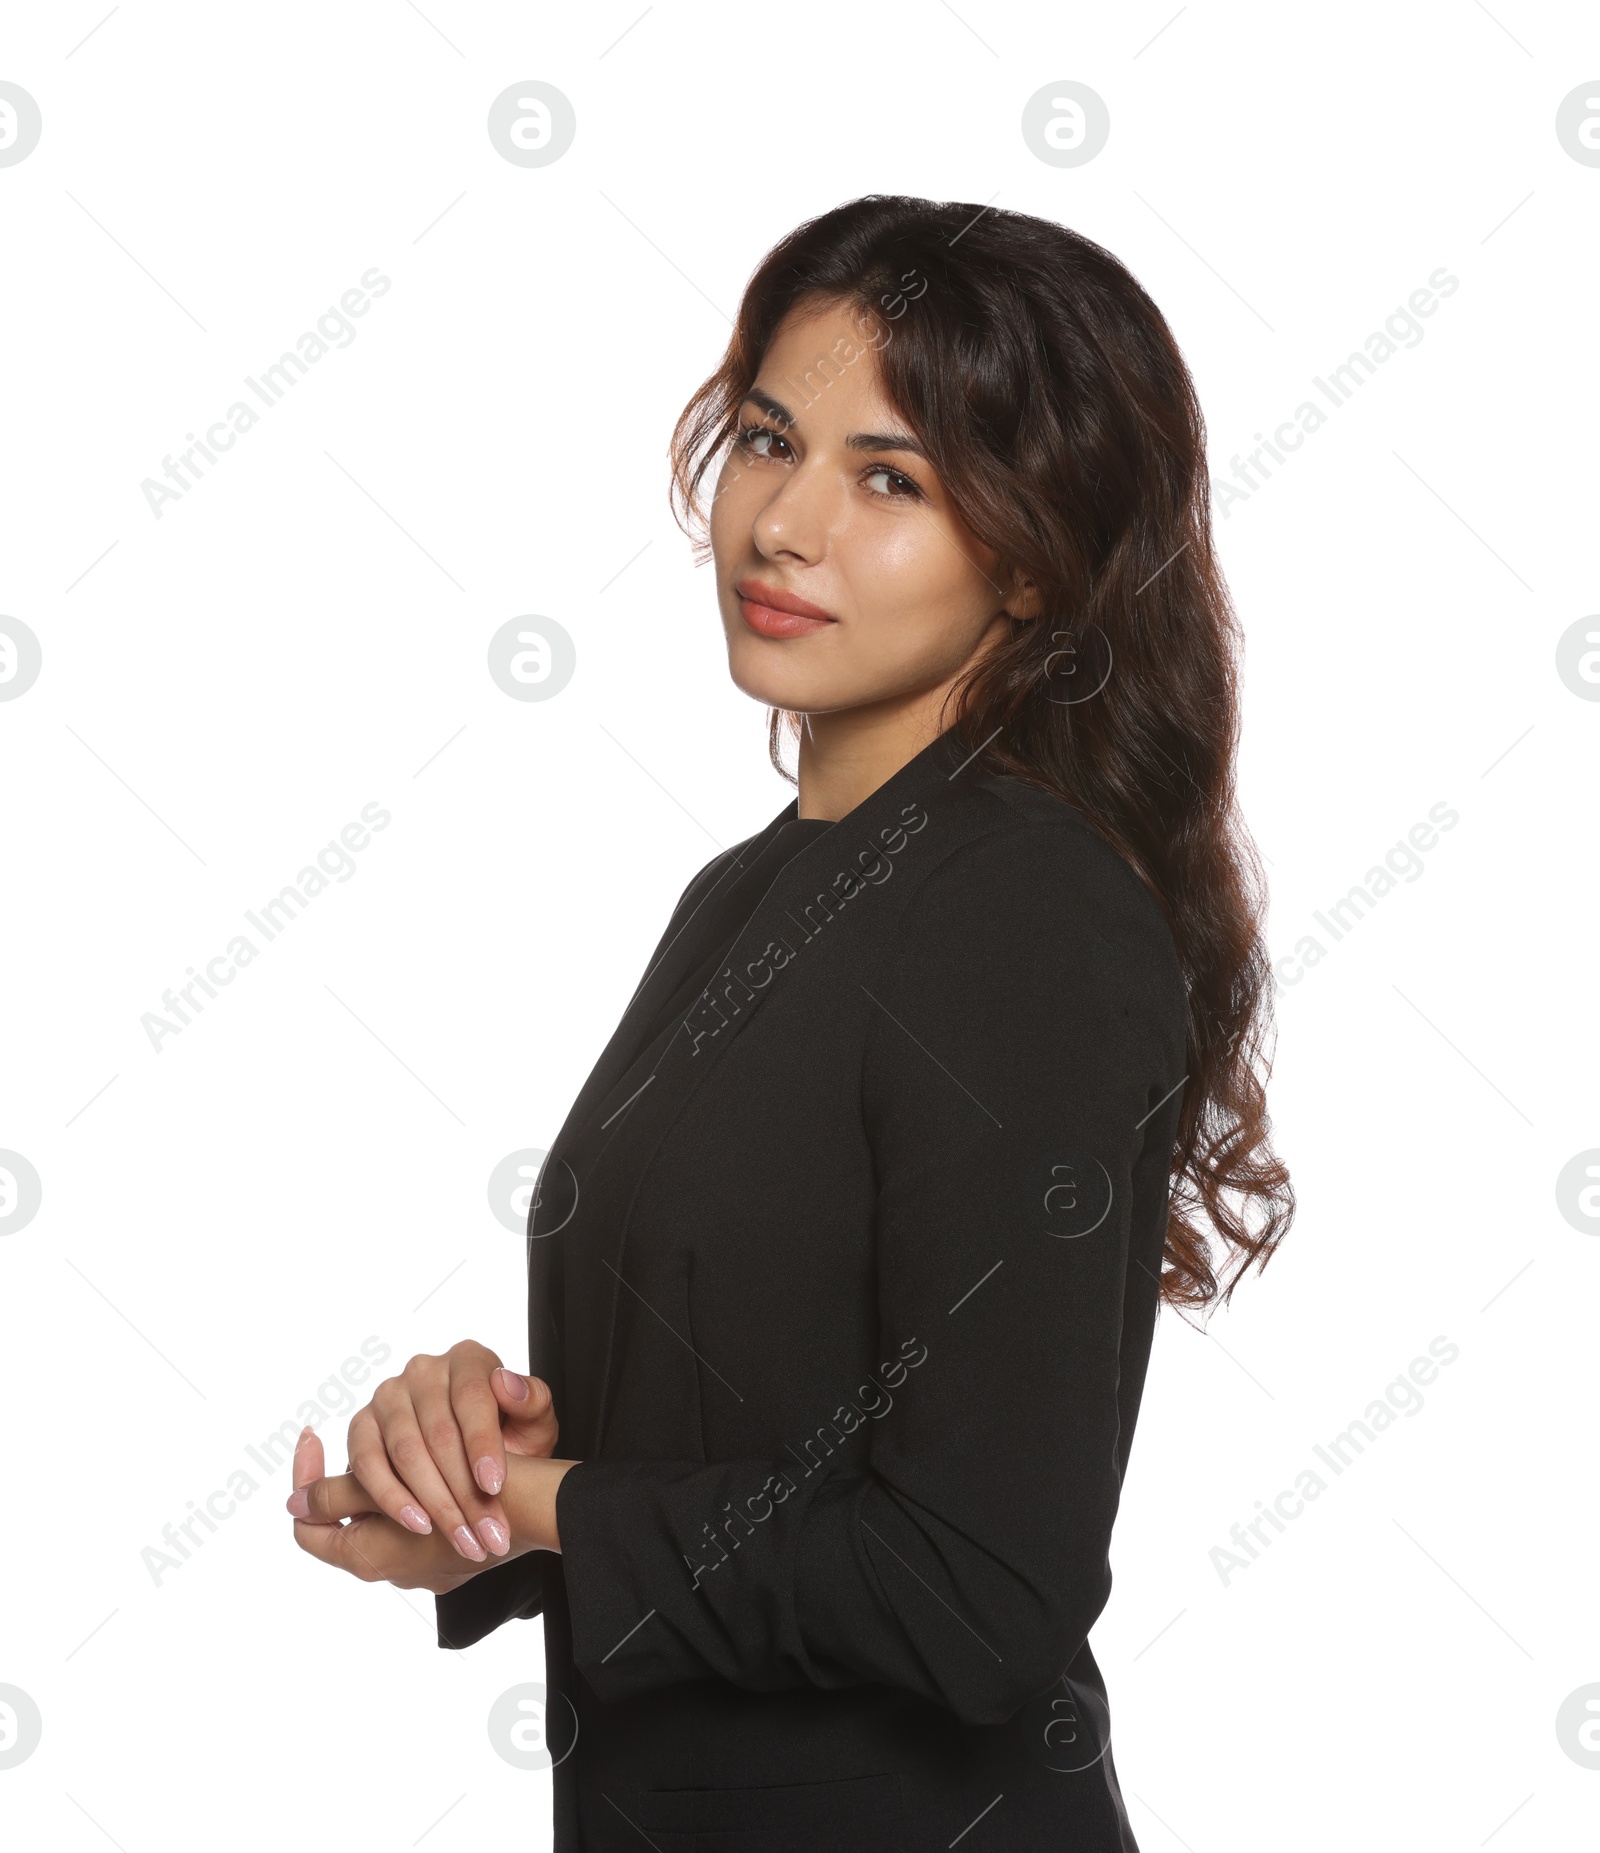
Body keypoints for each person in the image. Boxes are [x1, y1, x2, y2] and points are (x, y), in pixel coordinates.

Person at [288, 193, 1293, 1850]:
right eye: (768, 440)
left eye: (888, 477)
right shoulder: (744, 898)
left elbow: (978, 1591)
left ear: (1033, 557)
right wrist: (475, 1465)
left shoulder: (1021, 909)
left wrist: (549, 1505)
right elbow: (735, 1434)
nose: (783, 523)